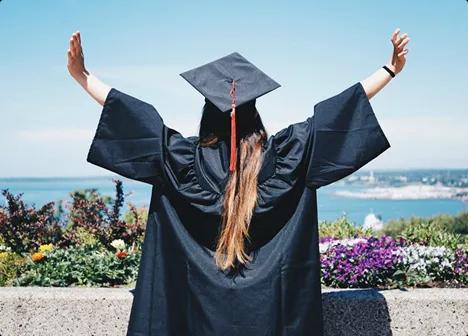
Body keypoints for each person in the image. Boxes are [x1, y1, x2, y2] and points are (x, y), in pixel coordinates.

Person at [67, 28, 410, 336]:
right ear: (255, 113)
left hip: (196, 317)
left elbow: (136, 121)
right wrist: (389, 70)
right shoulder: (290, 155)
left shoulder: (181, 161)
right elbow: (335, 116)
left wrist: (83, 76)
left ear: (207, 113)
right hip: (271, 316)